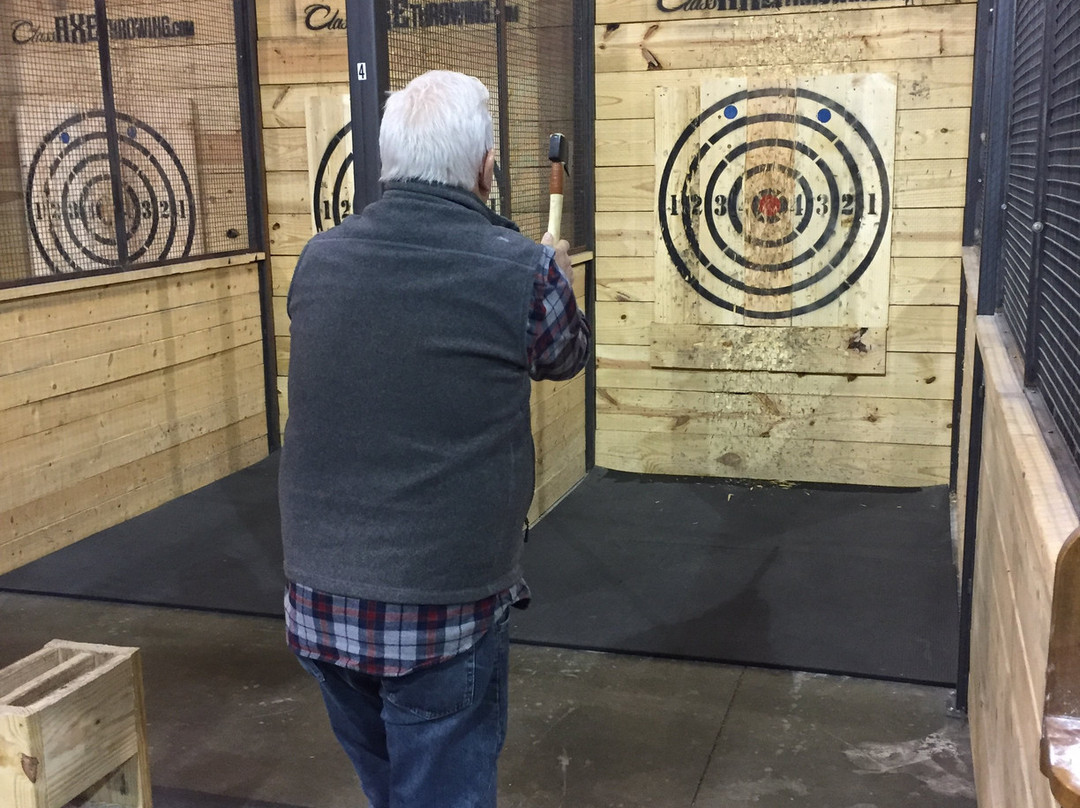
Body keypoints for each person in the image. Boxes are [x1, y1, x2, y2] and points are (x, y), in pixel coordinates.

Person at [278, 70, 590, 808]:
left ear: (387, 162)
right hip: (439, 613)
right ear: (487, 169)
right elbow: (565, 354)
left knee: (390, 791)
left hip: (317, 604)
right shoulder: (524, 268)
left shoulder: (317, 258)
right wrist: (558, 278)